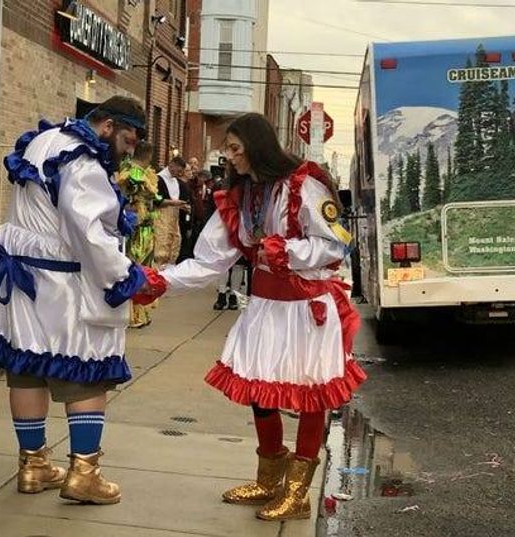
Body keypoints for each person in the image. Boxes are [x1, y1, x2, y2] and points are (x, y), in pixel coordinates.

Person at [134, 113, 364, 521]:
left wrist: (289, 253)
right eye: (228, 149)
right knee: (260, 392)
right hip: (264, 307)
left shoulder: (302, 185)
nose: (230, 157)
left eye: (236, 149)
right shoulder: (241, 197)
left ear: (257, 146)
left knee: (311, 394)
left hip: (304, 309)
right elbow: (208, 261)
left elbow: (336, 243)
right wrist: (161, 281)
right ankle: (269, 478)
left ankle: (297, 494)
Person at [0, 96, 147, 506]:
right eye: (128, 138)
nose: (129, 149)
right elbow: (88, 231)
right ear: (108, 126)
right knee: (85, 373)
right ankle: (85, 473)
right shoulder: (83, 160)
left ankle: (33, 465)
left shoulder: (43, 141)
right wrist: (123, 275)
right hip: (62, 286)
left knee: (27, 369)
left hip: (21, 279)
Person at [117, 141, 160, 328]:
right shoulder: (132, 172)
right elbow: (129, 195)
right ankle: (131, 314)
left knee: (145, 265)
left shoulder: (145, 172)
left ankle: (140, 311)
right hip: (136, 225)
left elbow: (156, 199)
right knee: (135, 265)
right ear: (148, 154)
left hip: (147, 225)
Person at [154, 156, 189, 267]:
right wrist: (174, 203)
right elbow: (157, 200)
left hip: (174, 218)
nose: (179, 174)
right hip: (161, 217)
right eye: (178, 171)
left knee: (174, 243)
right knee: (162, 244)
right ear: (171, 165)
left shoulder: (176, 181)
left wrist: (181, 206)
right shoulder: (158, 179)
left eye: (181, 172)